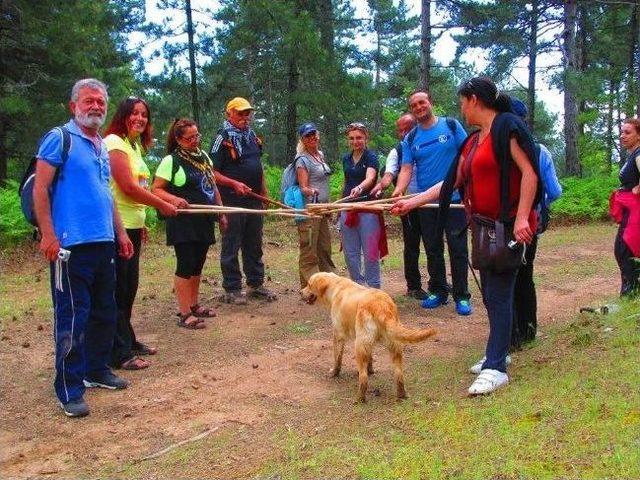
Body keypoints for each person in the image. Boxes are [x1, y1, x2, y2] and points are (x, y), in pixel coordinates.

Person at [392, 77, 539, 395]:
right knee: (490, 293)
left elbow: (529, 171)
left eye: (462, 101)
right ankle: (498, 349)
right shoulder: (473, 141)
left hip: (509, 224)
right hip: (484, 227)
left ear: (474, 100)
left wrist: (523, 217)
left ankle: (496, 366)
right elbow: (451, 182)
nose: (461, 108)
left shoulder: (507, 127)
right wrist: (412, 202)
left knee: (498, 293)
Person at [33, 78, 134, 418]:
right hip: (70, 245)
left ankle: (96, 370)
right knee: (73, 316)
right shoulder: (59, 139)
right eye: (89, 101)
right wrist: (47, 235)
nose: (96, 107)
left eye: (100, 102)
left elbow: (107, 195)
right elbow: (40, 189)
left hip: (102, 242)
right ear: (73, 105)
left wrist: (120, 234)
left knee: (105, 309)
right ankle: (69, 388)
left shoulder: (100, 144)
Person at [104, 97, 178, 370]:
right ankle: (118, 352)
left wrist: (143, 221)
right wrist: (163, 203)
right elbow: (127, 187)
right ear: (123, 115)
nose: (139, 118)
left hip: (132, 225)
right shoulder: (114, 143)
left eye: (144, 114)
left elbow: (137, 187)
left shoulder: (133, 146)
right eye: (134, 113)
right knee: (119, 289)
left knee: (129, 288)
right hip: (116, 227)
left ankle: (128, 340)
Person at [391, 91, 472, 315]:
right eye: (413, 105)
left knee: (458, 249)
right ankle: (438, 291)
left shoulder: (452, 126)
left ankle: (462, 295)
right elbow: (406, 169)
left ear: (430, 103)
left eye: (422, 102)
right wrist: (399, 191)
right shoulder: (411, 138)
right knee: (433, 248)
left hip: (454, 201)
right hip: (426, 204)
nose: (418, 107)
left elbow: (468, 156)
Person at [152, 119, 226, 329]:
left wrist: (221, 212)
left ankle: (194, 304)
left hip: (203, 219)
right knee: (186, 263)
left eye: (197, 136)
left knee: (198, 262)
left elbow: (212, 186)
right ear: (178, 139)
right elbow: (156, 189)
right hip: (183, 222)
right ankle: (184, 313)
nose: (194, 141)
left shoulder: (203, 157)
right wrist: (174, 200)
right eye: (189, 138)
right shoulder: (171, 161)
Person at [209, 97, 277, 304]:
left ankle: (255, 284)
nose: (245, 117)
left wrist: (264, 191)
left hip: (253, 199)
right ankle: (232, 288)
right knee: (232, 242)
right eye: (240, 113)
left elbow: (258, 166)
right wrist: (233, 184)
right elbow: (211, 172)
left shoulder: (252, 136)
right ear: (229, 114)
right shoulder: (222, 138)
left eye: (247, 113)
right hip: (231, 199)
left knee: (253, 243)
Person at [509, 97, 562, 350]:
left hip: (505, 222)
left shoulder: (499, 147)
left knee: (506, 276)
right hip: (532, 222)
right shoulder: (540, 151)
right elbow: (555, 191)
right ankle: (528, 329)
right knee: (525, 273)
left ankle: (512, 332)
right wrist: (539, 205)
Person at [371, 113, 427, 299]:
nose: (404, 133)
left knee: (434, 245)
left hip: (430, 203)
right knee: (411, 245)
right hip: (407, 206)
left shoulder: (428, 142)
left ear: (417, 126)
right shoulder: (397, 151)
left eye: (408, 128)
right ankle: (413, 286)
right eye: (400, 130)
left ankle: (439, 283)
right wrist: (382, 185)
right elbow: (389, 174)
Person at [340, 122, 384, 289]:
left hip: (367, 208)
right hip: (347, 207)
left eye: (359, 138)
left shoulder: (371, 157)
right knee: (350, 252)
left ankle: (373, 287)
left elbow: (370, 178)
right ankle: (357, 285)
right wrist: (341, 204)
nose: (355, 141)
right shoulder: (346, 158)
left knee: (370, 250)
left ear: (366, 138)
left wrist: (359, 188)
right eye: (351, 138)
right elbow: (346, 182)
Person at [293, 122, 336, 287]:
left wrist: (329, 205)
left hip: (323, 209)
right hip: (310, 210)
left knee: (324, 248)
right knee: (309, 249)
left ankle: (328, 283)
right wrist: (313, 191)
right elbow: (303, 188)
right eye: (307, 135)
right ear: (302, 139)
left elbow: (325, 183)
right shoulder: (302, 159)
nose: (312, 138)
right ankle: (309, 287)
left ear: (318, 135)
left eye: (314, 134)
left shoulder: (320, 155)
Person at [610, 118, 640, 297]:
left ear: (638, 136)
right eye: (622, 132)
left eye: (628, 132)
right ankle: (631, 295)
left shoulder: (638, 155)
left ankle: (630, 296)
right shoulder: (634, 154)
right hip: (630, 213)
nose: (622, 136)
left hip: (635, 215)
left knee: (624, 251)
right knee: (627, 252)